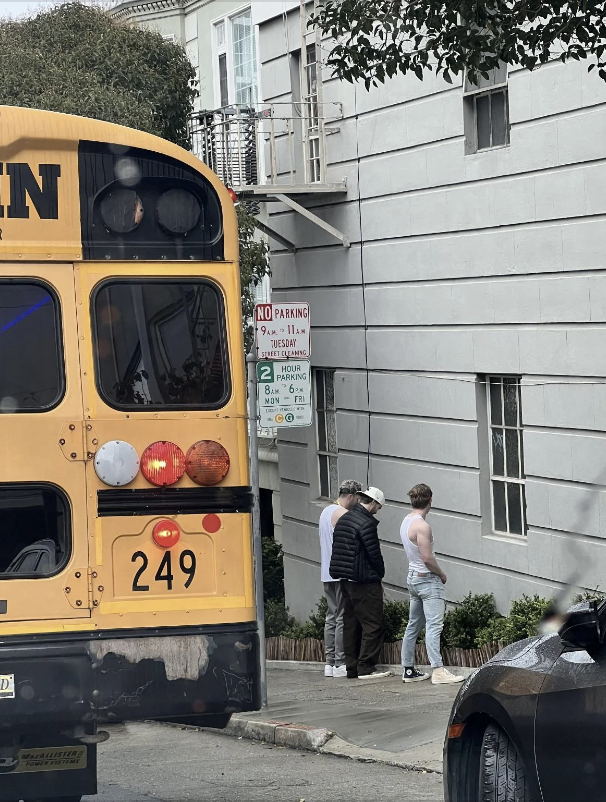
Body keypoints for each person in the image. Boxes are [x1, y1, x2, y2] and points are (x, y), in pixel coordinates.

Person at [400, 483, 464, 685]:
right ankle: (437, 670)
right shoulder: (422, 526)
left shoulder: (406, 521)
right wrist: (441, 574)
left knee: (413, 625)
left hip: (412, 577)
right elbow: (427, 557)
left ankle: (408, 669)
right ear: (430, 500)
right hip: (427, 579)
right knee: (434, 626)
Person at [329, 487, 390, 680]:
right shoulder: (366, 523)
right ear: (372, 503)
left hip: (344, 579)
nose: (378, 510)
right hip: (363, 579)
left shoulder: (344, 518)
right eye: (378, 506)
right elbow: (374, 554)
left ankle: (352, 667)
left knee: (350, 623)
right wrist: (379, 575)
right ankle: (366, 666)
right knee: (373, 624)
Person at [319, 479, 362, 678]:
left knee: (331, 616)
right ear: (351, 496)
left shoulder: (325, 512)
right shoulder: (343, 514)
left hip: (326, 572)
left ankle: (329, 663)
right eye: (357, 498)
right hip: (341, 572)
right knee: (342, 617)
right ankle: (340, 662)